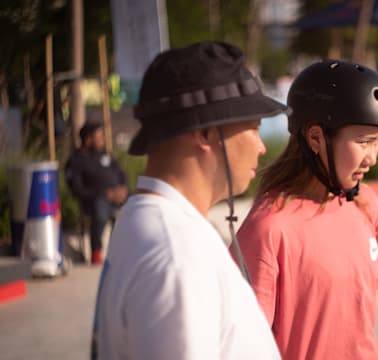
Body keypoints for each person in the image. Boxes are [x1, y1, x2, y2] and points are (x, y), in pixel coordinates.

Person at [92, 41, 289, 359]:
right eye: (253, 128)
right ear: (206, 134)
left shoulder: (142, 219)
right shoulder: (178, 256)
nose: (261, 146)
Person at [236, 60, 378, 359]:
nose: (372, 158)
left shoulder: (367, 205)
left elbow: (370, 295)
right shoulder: (269, 228)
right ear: (315, 137)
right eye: (363, 142)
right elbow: (245, 344)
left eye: (377, 142)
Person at [65, 121, 128, 264]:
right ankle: (96, 253)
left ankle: (123, 252)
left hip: (116, 197)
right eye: (99, 136)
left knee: (138, 204)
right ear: (88, 140)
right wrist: (104, 193)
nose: (102, 139)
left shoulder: (105, 155)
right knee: (100, 209)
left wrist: (122, 189)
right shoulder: (76, 161)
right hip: (93, 200)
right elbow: (77, 189)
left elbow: (121, 173)